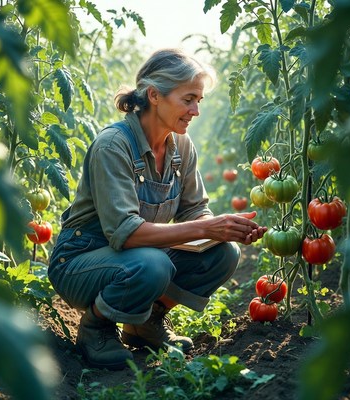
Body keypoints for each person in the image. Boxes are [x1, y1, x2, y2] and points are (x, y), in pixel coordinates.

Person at [48, 48, 267, 371]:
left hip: (131, 259)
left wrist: (225, 229)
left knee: (224, 253)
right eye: (188, 99)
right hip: (80, 262)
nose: (195, 110)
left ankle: (145, 322)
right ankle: (96, 327)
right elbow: (125, 233)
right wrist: (206, 228)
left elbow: (195, 212)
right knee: (153, 264)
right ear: (154, 95)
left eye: (199, 101)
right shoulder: (114, 145)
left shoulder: (181, 146)